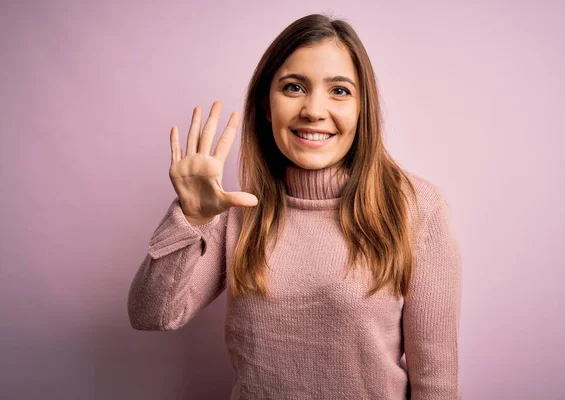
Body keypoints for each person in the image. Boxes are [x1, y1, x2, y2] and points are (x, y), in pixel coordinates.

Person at [127, 13, 462, 400]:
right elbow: (151, 315)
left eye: (339, 91)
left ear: (361, 109)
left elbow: (436, 380)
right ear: (267, 106)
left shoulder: (416, 209)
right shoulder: (238, 213)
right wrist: (191, 218)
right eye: (293, 87)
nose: (314, 110)